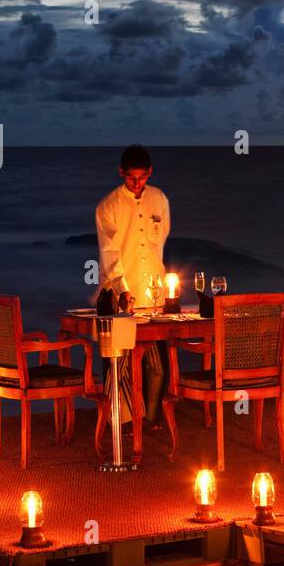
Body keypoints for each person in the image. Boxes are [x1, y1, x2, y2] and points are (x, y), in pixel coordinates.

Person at [95, 144, 170, 432]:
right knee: (118, 366)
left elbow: (160, 239)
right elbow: (110, 252)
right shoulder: (108, 206)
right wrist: (123, 289)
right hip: (116, 296)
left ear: (149, 173)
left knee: (156, 364)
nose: (137, 184)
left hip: (151, 294)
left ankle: (150, 419)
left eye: (142, 177)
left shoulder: (159, 200)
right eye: (131, 178)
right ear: (121, 173)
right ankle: (122, 423)